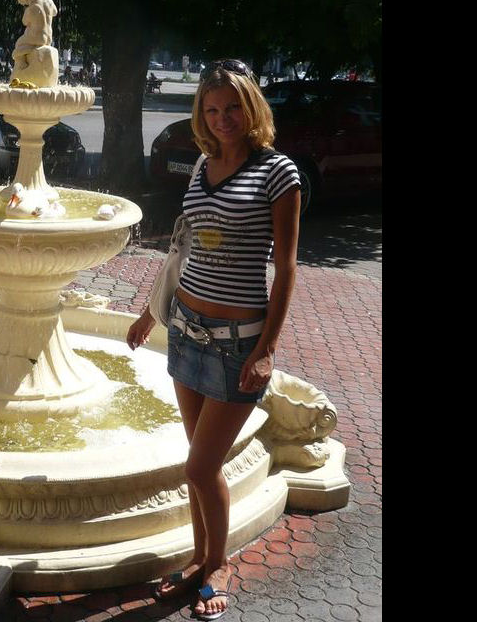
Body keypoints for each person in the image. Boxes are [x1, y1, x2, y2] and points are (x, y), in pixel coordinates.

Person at [126, 59, 301, 621]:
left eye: (232, 108)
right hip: (186, 331)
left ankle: (218, 566)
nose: (223, 118)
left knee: (200, 469)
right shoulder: (203, 165)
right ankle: (199, 558)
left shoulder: (278, 173)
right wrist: (151, 314)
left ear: (251, 108)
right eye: (212, 109)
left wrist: (266, 349)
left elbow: (287, 268)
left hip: (236, 343)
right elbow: (184, 247)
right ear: (201, 114)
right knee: (199, 464)